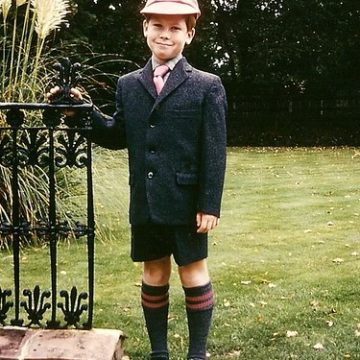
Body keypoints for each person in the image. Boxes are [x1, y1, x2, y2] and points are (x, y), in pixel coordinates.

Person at [49, 0, 227, 358]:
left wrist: (209, 204)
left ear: (189, 34)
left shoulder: (207, 85)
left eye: (175, 28)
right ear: (144, 29)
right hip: (145, 200)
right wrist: (81, 113)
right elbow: (117, 134)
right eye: (157, 26)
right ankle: (159, 352)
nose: (165, 34)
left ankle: (197, 353)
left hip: (186, 201)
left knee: (193, 272)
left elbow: (215, 150)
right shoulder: (129, 85)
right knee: (154, 272)